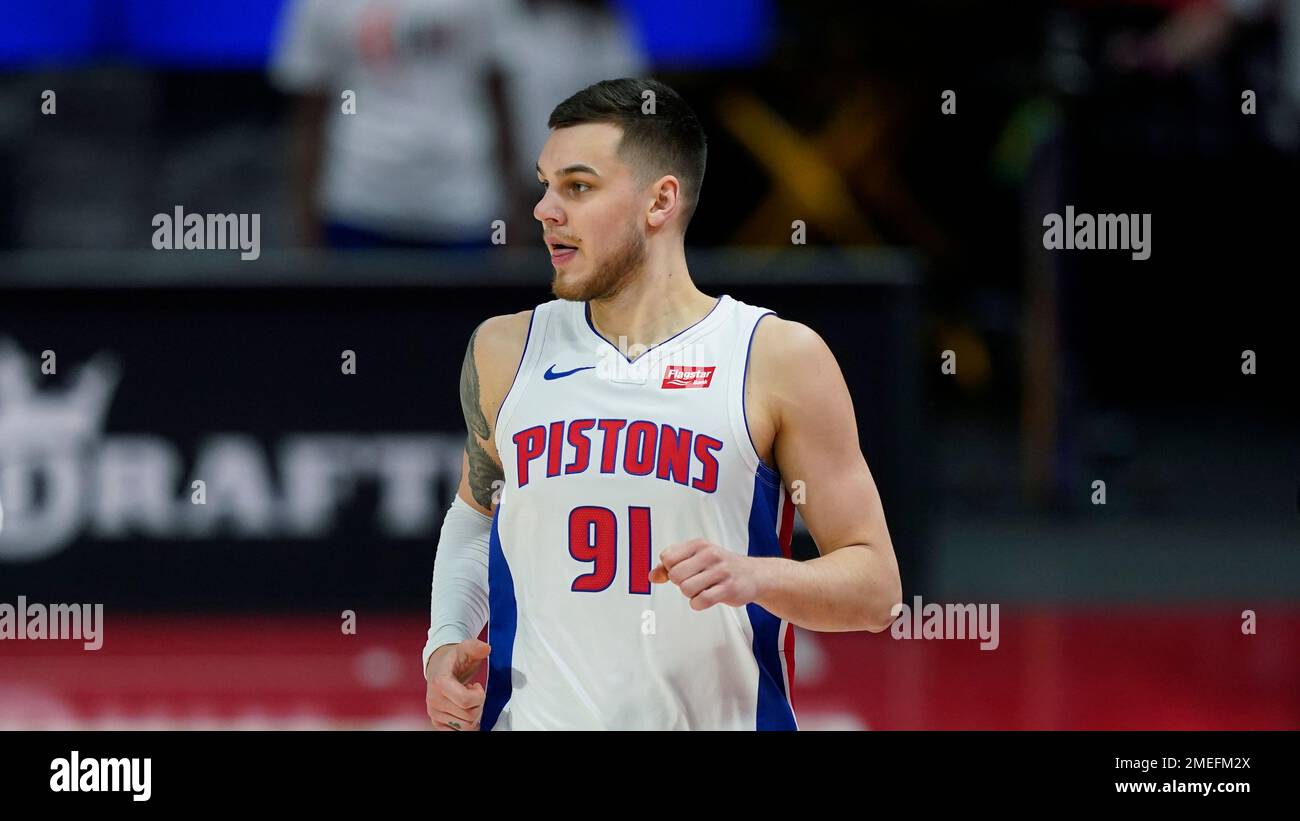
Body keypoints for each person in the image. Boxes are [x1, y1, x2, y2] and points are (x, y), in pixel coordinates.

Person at [422, 78, 902, 730]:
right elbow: (476, 517)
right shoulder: (504, 350)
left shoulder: (775, 357)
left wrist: (759, 577)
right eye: (544, 184)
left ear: (660, 201)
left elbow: (876, 589)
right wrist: (445, 639)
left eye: (577, 186)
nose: (544, 209)